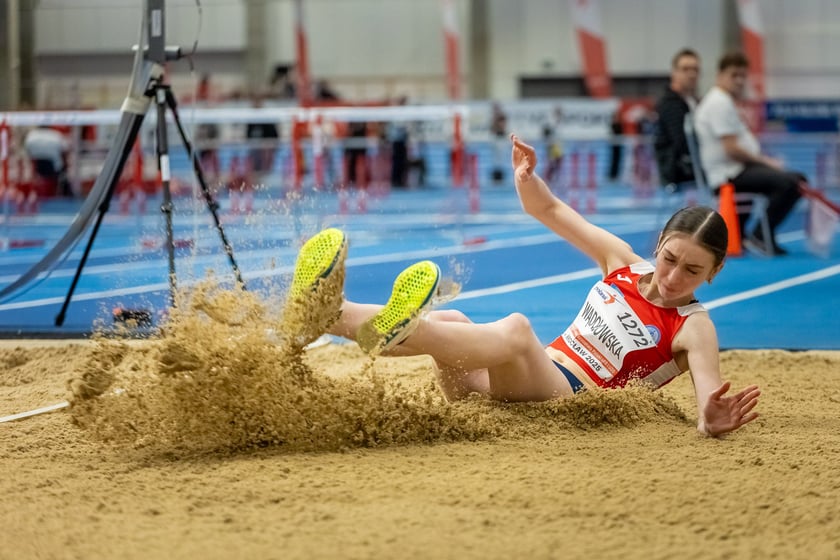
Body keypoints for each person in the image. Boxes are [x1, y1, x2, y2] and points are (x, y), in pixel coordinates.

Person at [281, 134, 761, 438]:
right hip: (508, 389)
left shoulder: (693, 327)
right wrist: (526, 179)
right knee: (451, 321)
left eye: (692, 271)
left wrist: (711, 421)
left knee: (515, 329)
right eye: (670, 259)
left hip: (567, 403)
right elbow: (550, 211)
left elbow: (708, 402)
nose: (674, 277)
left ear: (713, 274)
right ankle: (331, 312)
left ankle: (371, 319)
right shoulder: (623, 264)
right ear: (658, 244)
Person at [694, 52, 803, 255]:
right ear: (720, 75)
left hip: (738, 169)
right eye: (734, 75)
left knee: (796, 178)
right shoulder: (719, 103)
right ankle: (761, 235)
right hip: (728, 174)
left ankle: (751, 234)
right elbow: (732, 149)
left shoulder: (725, 101)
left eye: (743, 76)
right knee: (791, 183)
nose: (739, 81)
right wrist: (766, 162)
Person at [653, 48, 701, 188]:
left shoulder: (691, 101)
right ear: (674, 72)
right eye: (685, 69)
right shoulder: (670, 103)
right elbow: (682, 142)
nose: (692, 74)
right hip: (678, 171)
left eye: (695, 69)